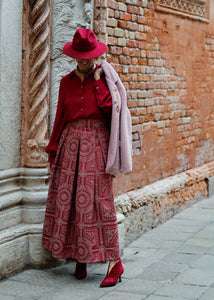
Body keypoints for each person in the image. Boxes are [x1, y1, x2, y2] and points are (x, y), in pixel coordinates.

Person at [42, 28, 132, 287]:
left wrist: (97, 79)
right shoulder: (66, 81)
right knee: (70, 202)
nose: (85, 61)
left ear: (95, 56)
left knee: (100, 202)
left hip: (96, 144)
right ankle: (80, 256)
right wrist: (52, 150)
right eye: (81, 57)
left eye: (89, 57)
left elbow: (108, 109)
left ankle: (115, 262)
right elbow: (60, 117)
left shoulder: (104, 81)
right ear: (74, 57)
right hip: (70, 144)